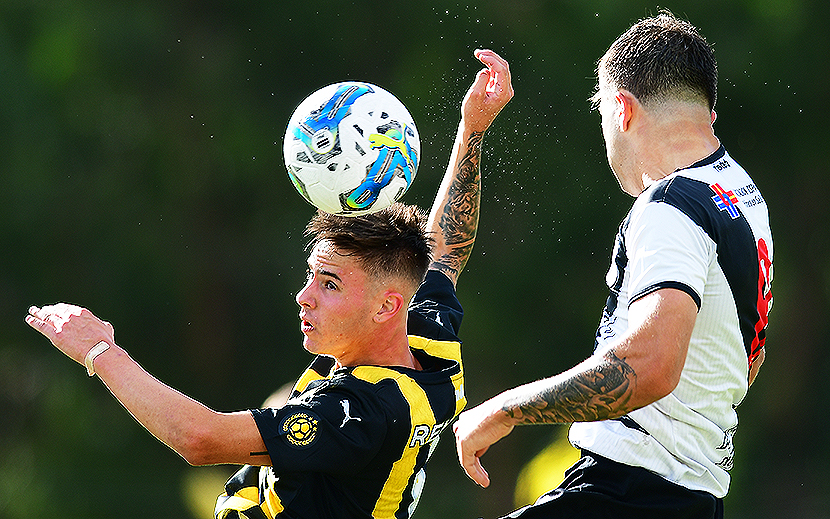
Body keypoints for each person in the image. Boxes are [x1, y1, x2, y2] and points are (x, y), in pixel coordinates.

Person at [25, 49, 513, 519]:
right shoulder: (426, 340)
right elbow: (445, 248)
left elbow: (202, 440)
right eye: (310, 276)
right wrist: (472, 130)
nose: (304, 296)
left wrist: (99, 353)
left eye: (330, 284)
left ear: (385, 307)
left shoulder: (359, 413)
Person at [453, 12, 773, 519]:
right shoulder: (741, 194)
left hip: (628, 493)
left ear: (622, 109)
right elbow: (742, 361)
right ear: (708, 113)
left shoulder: (671, 206)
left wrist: (506, 408)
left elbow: (649, 366)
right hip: (686, 496)